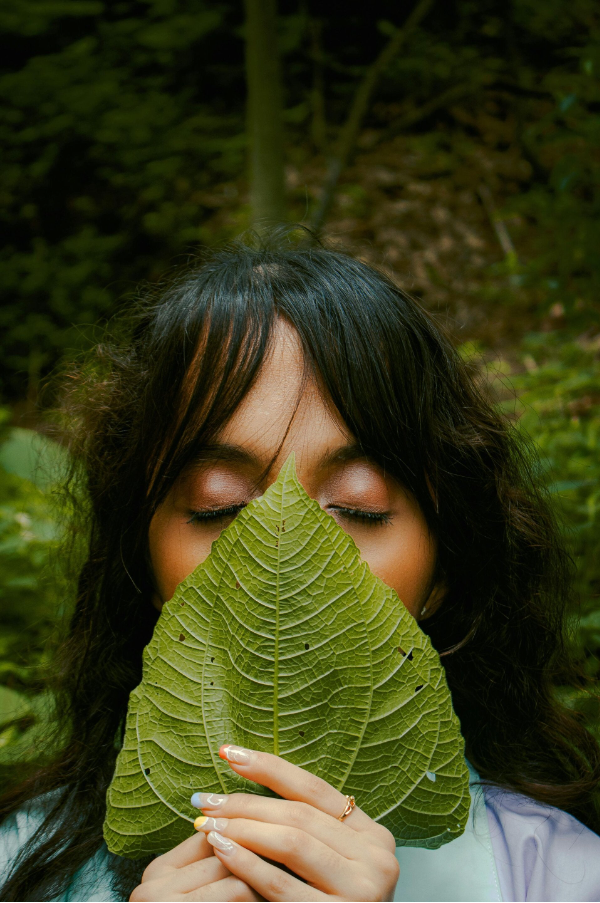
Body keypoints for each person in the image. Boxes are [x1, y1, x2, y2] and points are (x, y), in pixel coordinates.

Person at [1, 238, 599, 902]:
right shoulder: (16, 868)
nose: (283, 559)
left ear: (445, 567)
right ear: (141, 559)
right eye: (221, 505)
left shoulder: (567, 880)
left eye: (357, 507)